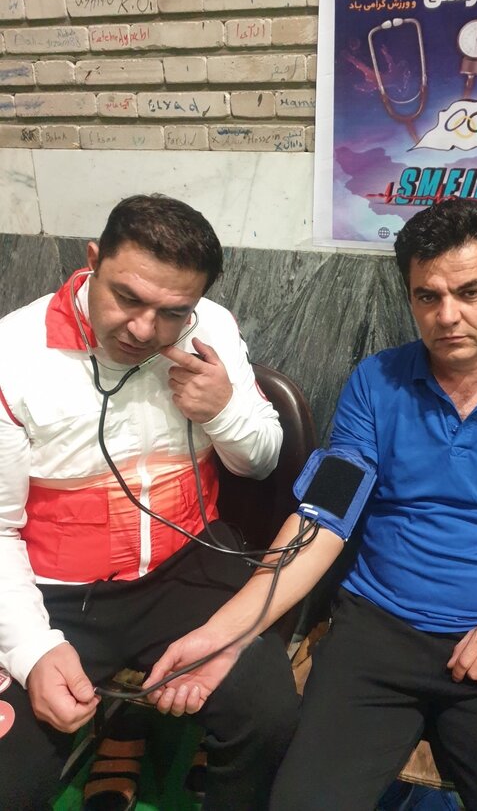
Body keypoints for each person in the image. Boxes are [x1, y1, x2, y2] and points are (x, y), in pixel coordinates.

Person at [143, 198, 477, 811]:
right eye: (427, 296)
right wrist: (227, 634)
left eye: (470, 292)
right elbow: (323, 519)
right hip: (376, 631)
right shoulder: (377, 385)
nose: (447, 315)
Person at [0, 194, 299, 811]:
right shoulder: (14, 356)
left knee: (268, 715)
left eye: (172, 312)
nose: (143, 329)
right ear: (93, 260)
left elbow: (262, 460)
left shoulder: (211, 328)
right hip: (51, 589)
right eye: (126, 297)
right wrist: (32, 649)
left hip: (187, 564)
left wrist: (224, 410)